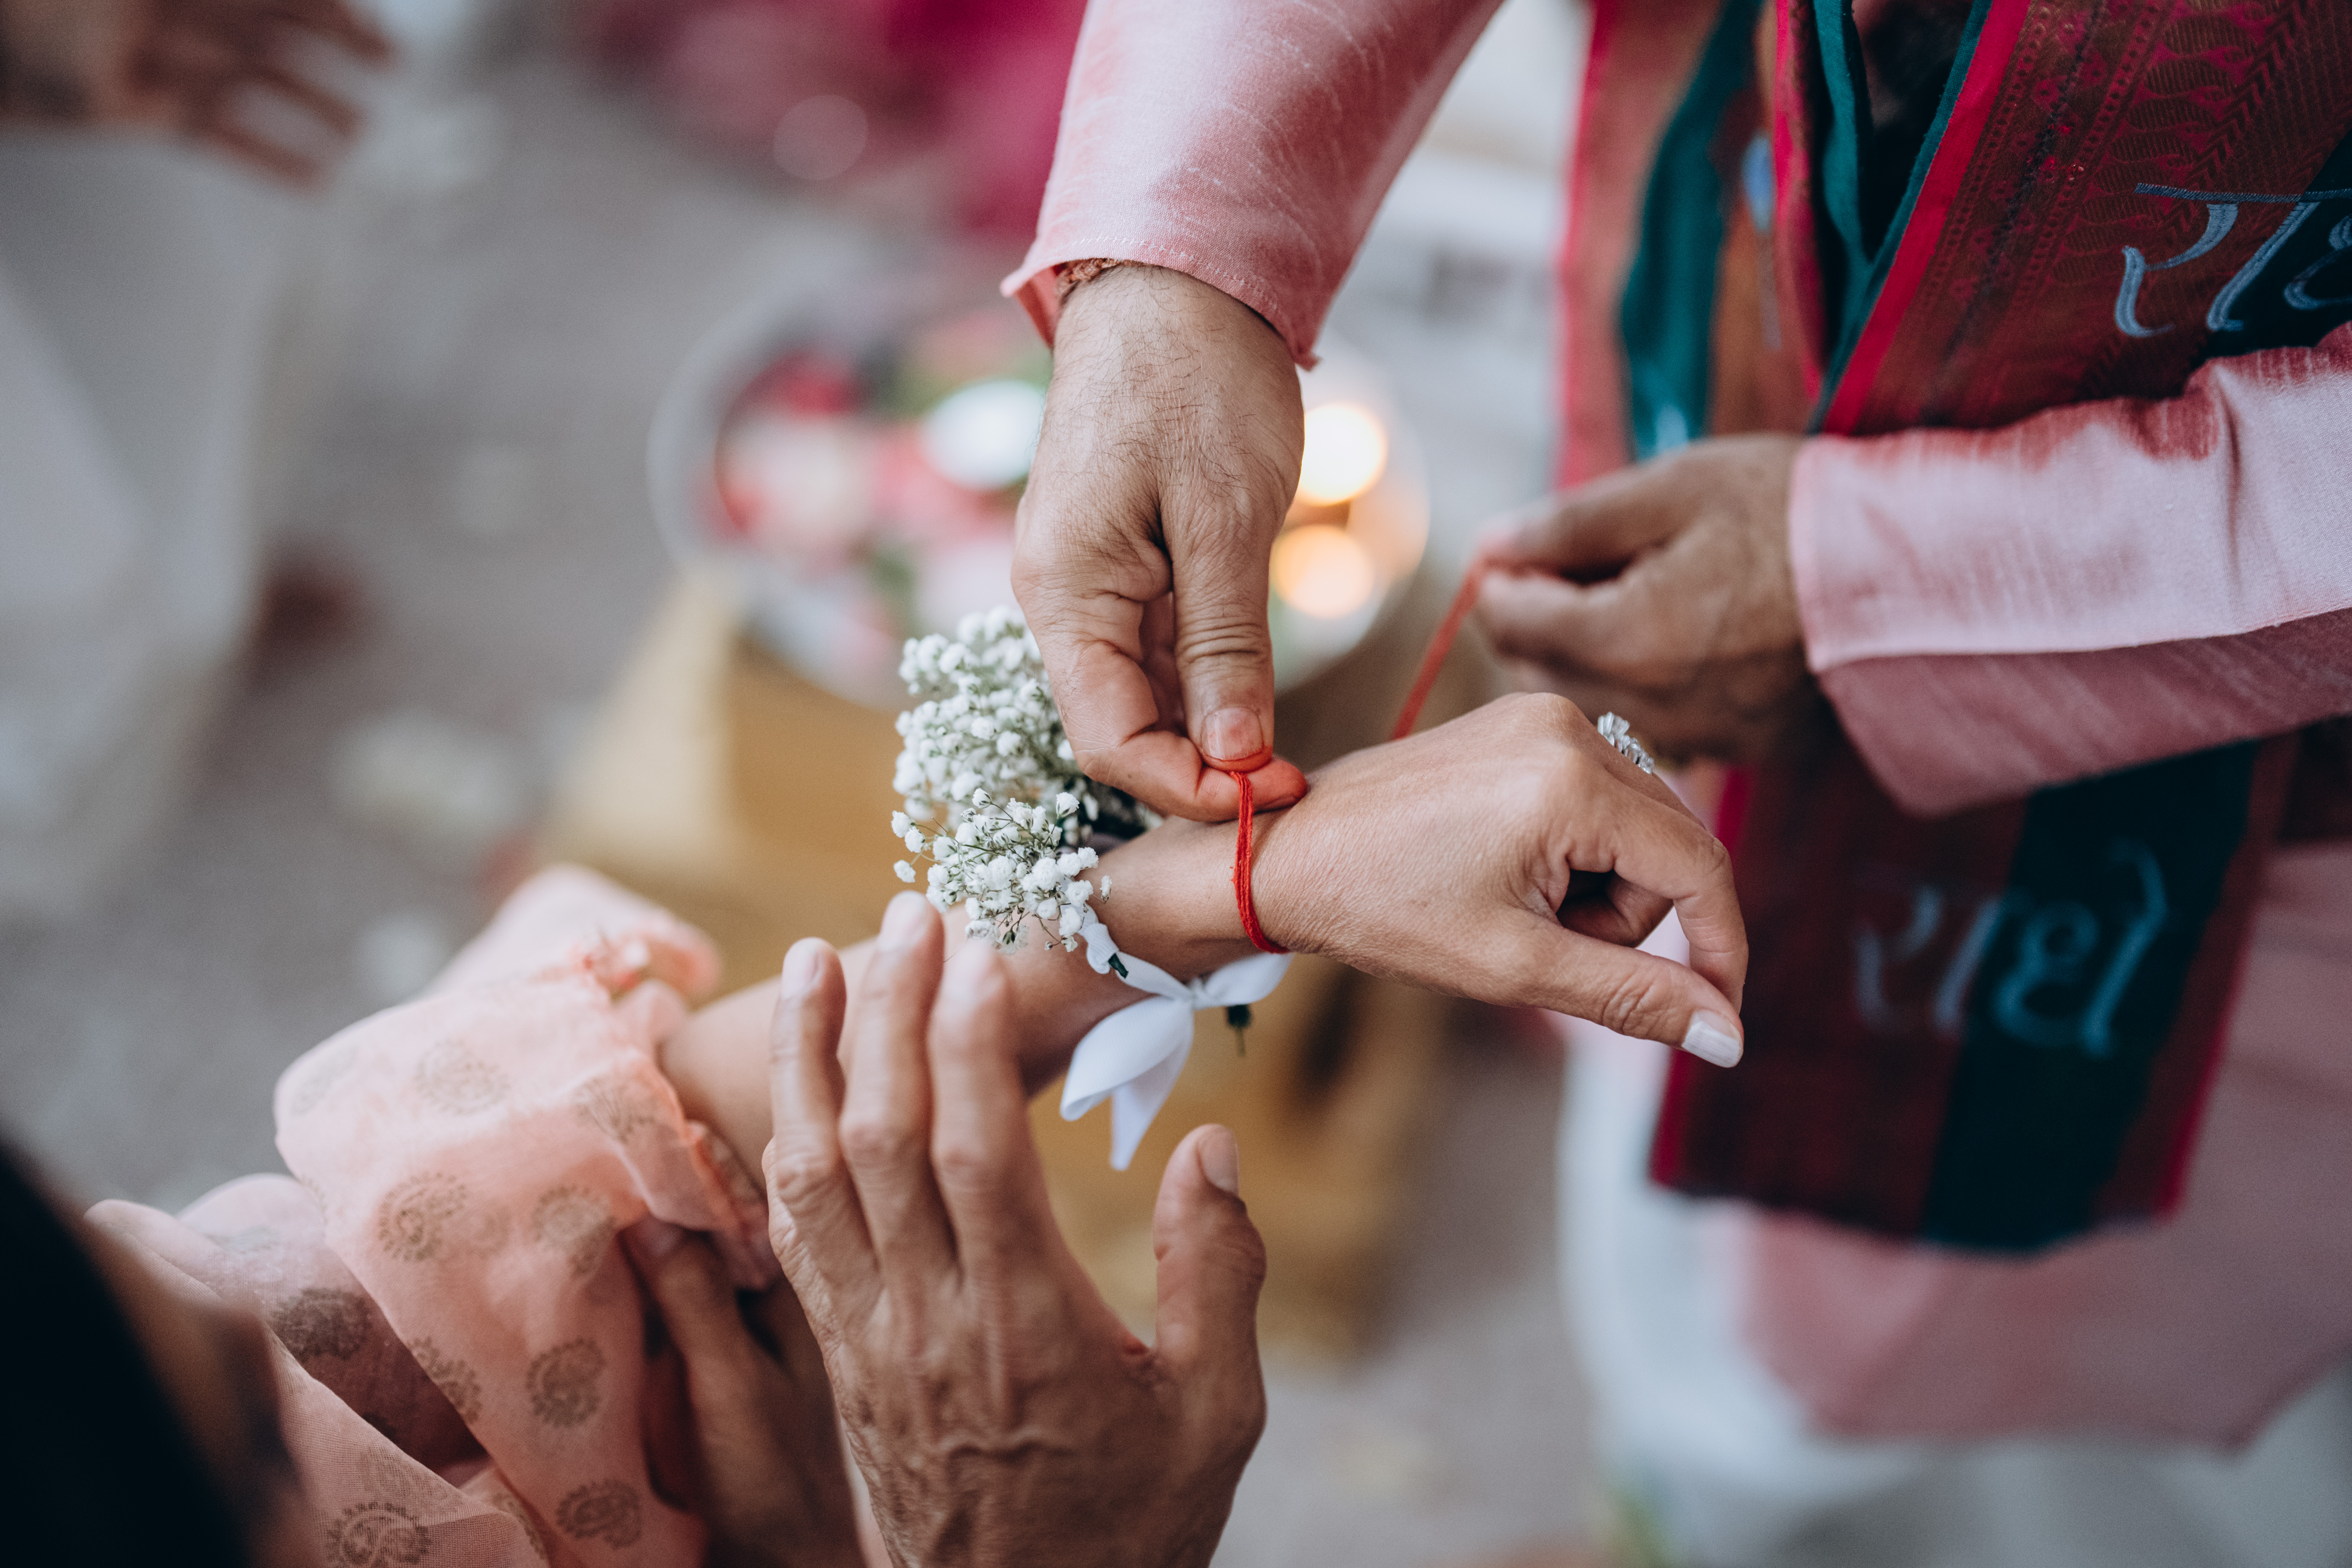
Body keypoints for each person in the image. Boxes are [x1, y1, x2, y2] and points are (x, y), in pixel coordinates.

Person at [1000, 1, 2352, 1563]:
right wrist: (1172, 260)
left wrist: (1901, 580)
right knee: (1666, 1137)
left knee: (2035, 1328)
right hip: (1740, 266)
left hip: (2249, 743)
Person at [15, 696, 1744, 1563]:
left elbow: (518, 1191)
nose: (292, 1350)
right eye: (265, 1454)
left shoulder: (246, 1344)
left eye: (210, 1301)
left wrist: (1204, 892)